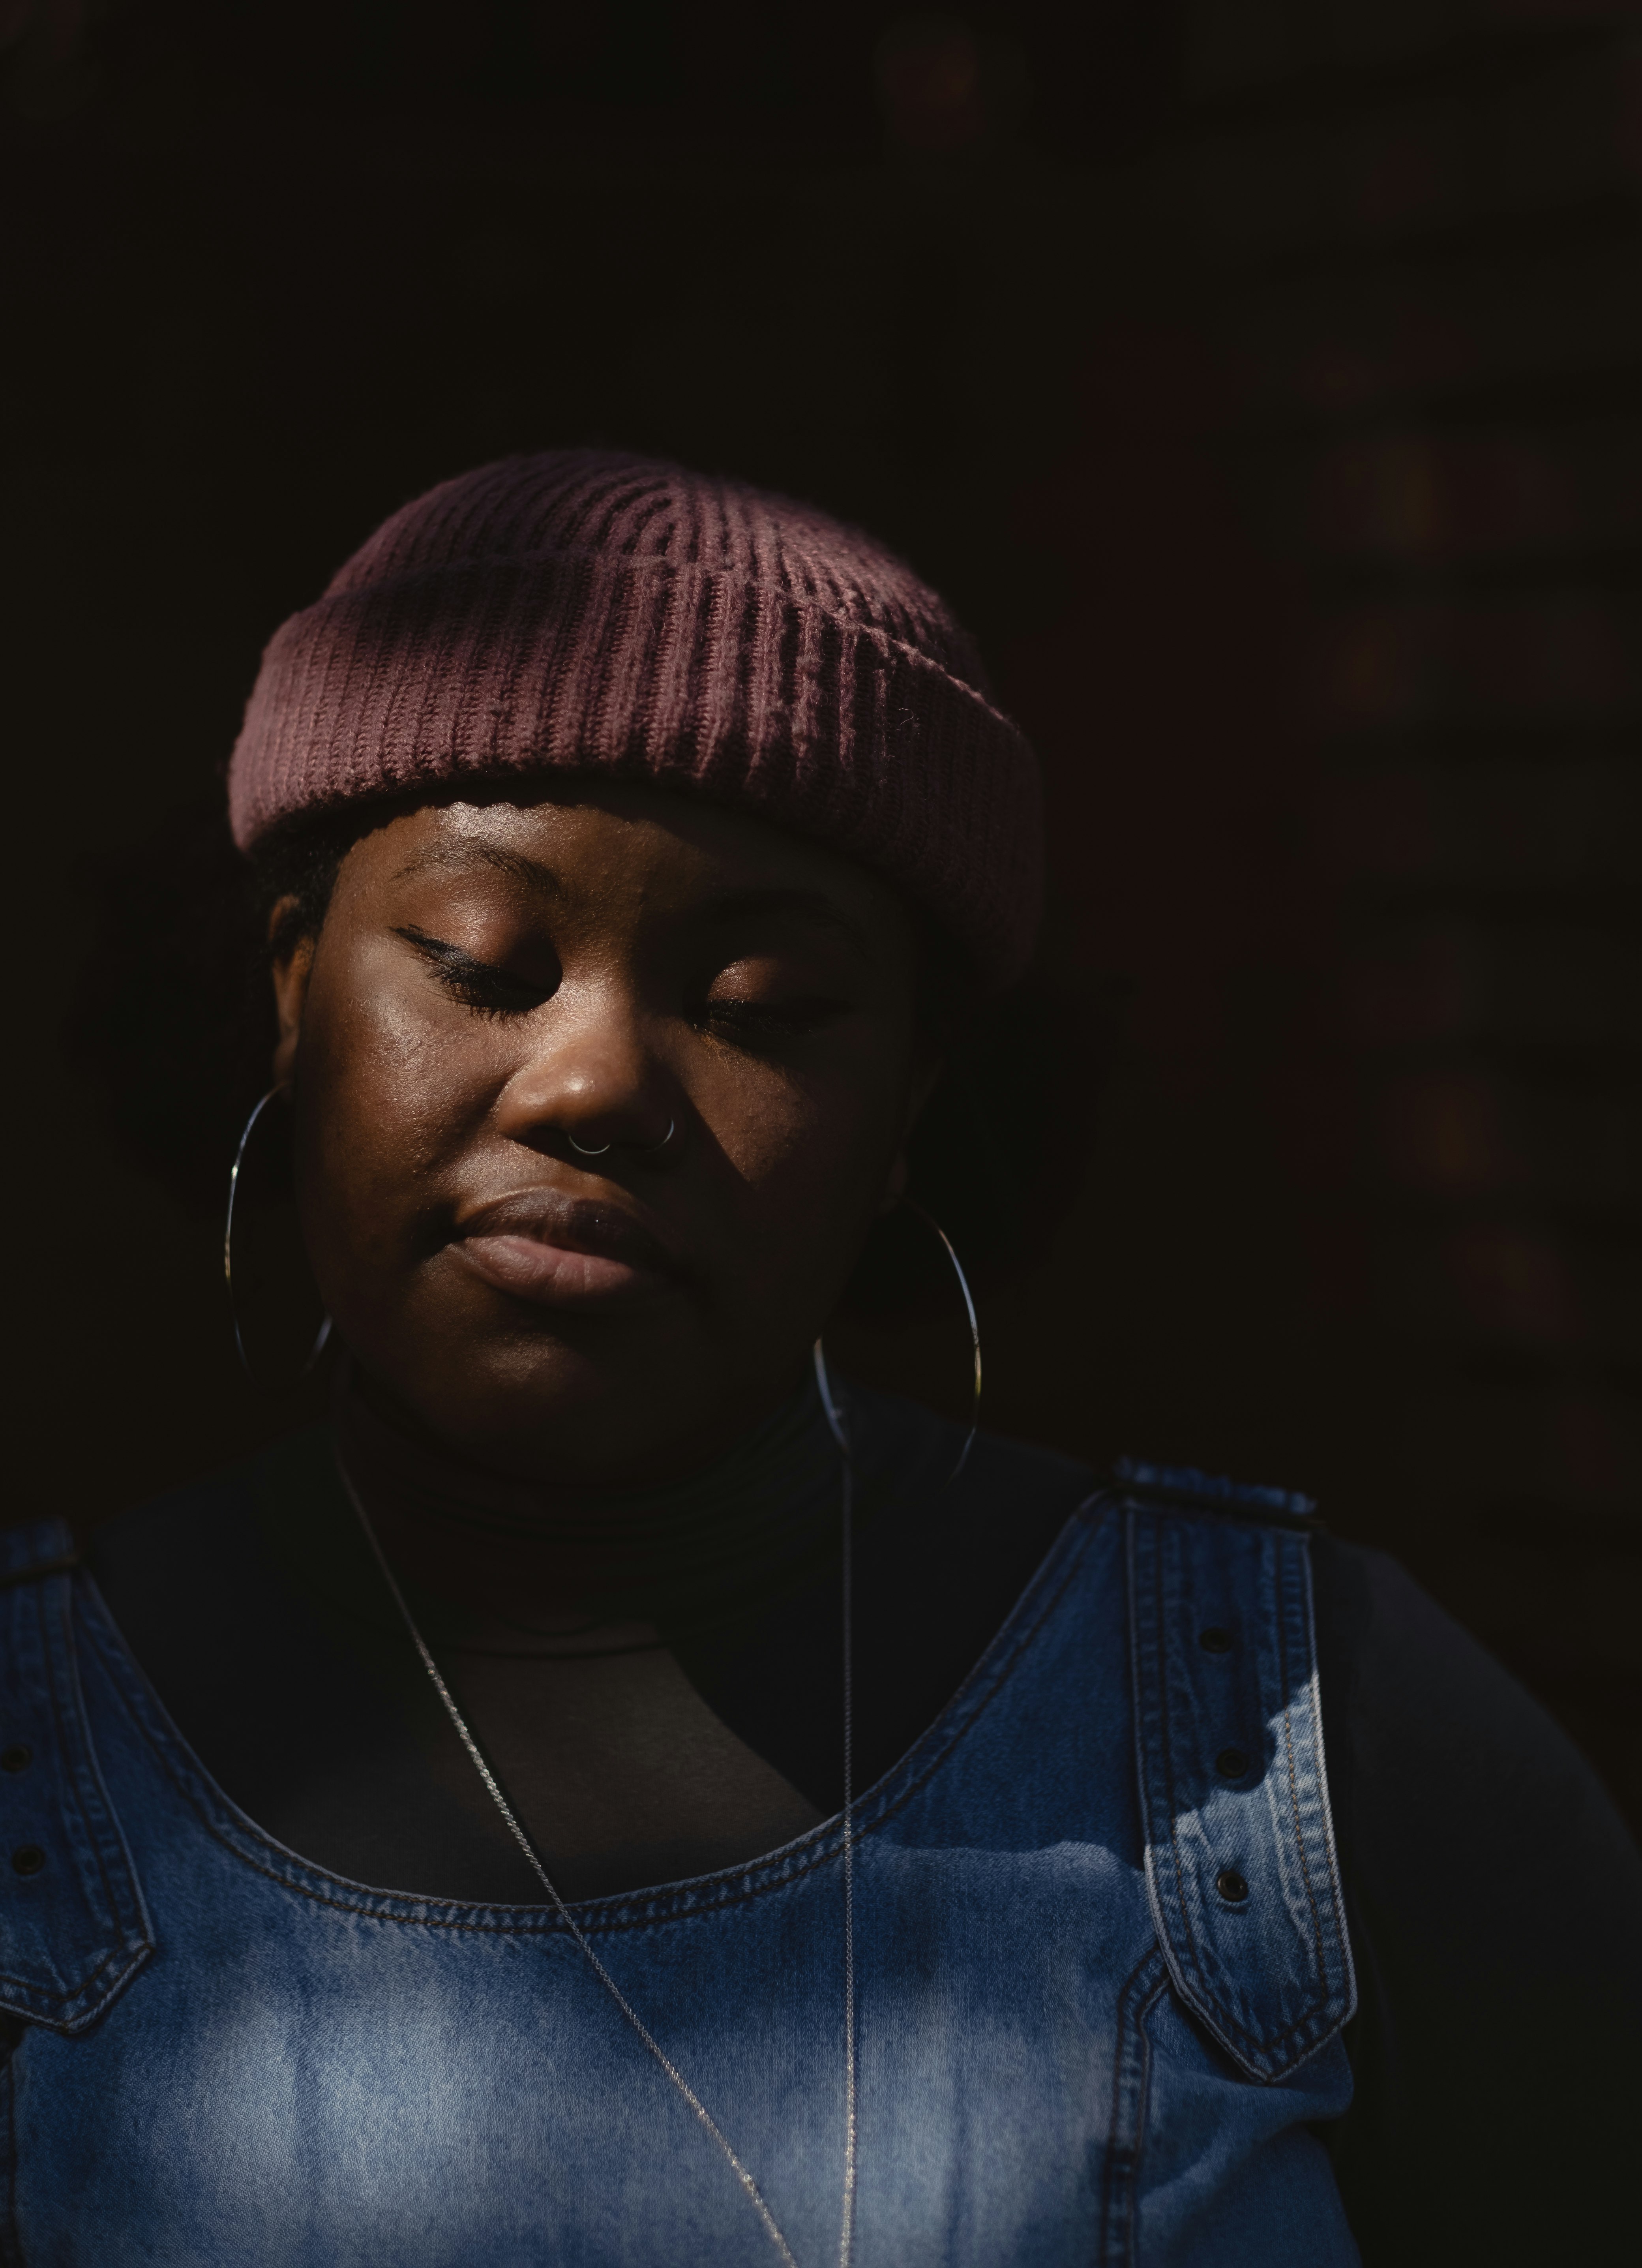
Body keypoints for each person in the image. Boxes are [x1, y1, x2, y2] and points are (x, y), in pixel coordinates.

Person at [2, 451, 1637, 2267]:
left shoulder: (1305, 1738)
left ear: (904, 1109)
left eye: (763, 1010)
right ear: (298, 990)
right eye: (481, 961)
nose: (593, 1083)